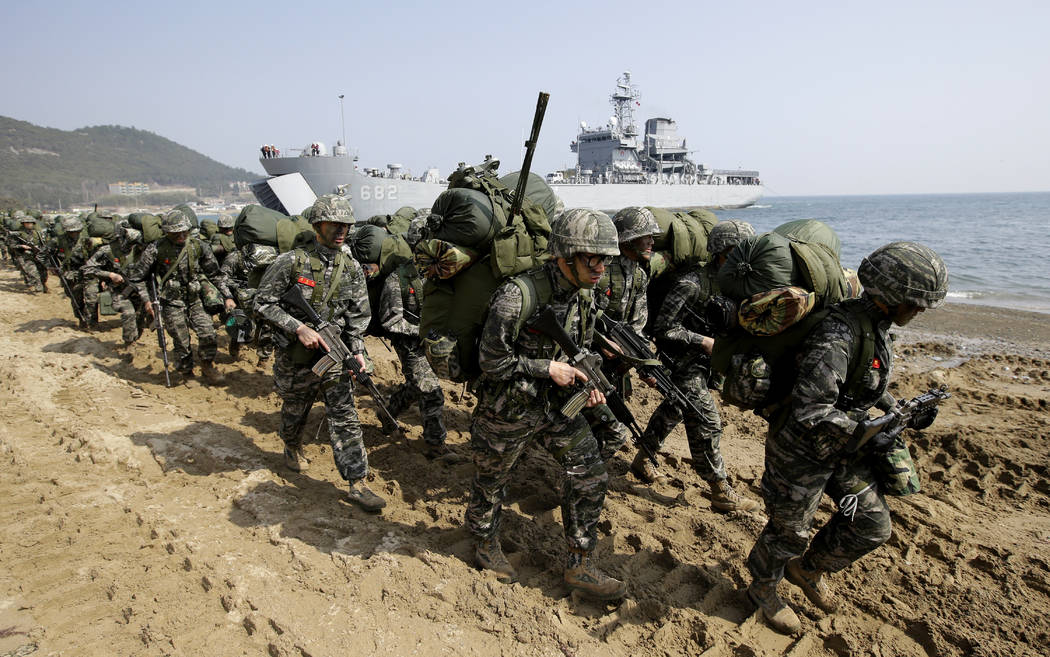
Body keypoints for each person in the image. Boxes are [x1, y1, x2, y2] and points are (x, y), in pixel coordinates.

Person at [745, 242, 948, 635]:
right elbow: (810, 409)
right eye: (915, 301)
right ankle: (762, 587)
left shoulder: (876, 327)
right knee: (789, 530)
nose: (919, 310)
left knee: (873, 524)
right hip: (801, 448)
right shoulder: (837, 333)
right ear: (890, 295)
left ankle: (807, 569)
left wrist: (901, 411)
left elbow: (863, 385)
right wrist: (867, 431)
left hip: (842, 443)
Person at [465, 208, 626, 601]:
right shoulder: (517, 296)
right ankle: (485, 543)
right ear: (566, 255)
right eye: (594, 257)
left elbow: (580, 347)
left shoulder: (582, 298)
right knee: (491, 483)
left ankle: (580, 564)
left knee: (591, 474)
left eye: (606, 259)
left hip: (556, 408)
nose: (602, 267)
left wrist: (589, 381)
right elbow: (491, 361)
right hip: (508, 409)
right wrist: (546, 367)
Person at [253, 194, 384, 512]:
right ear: (317, 225)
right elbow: (261, 303)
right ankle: (291, 444)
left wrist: (359, 352)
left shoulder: (351, 267)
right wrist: (298, 327)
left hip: (334, 357)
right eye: (334, 224)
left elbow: (357, 318)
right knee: (295, 411)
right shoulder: (291, 262)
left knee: (345, 416)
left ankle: (357, 482)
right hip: (296, 357)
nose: (341, 231)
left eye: (346, 225)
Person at [635, 220, 760, 514]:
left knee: (673, 409)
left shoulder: (734, 284)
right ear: (722, 253)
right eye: (738, 251)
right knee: (708, 421)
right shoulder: (690, 284)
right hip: (680, 362)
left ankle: (643, 458)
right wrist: (702, 341)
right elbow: (664, 329)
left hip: (705, 365)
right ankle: (720, 491)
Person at [588, 206, 661, 463]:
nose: (652, 241)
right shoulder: (602, 270)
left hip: (616, 359)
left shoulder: (640, 275)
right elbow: (582, 314)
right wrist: (601, 341)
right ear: (628, 238)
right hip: (589, 355)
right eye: (646, 236)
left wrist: (643, 363)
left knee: (614, 412)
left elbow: (637, 324)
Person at [130, 209, 234, 384]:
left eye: (184, 231)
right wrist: (147, 300)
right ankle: (187, 373)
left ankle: (207, 365)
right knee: (181, 339)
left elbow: (214, 274)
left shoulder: (197, 246)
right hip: (170, 301)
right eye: (176, 232)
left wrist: (227, 296)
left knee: (208, 333)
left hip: (195, 298)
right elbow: (137, 277)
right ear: (167, 232)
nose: (181, 235)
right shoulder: (155, 249)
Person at [82, 223, 145, 346]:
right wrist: (110, 275)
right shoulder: (107, 250)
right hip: (118, 291)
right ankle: (129, 343)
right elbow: (87, 268)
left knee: (139, 317)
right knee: (129, 313)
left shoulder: (140, 250)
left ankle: (134, 339)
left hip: (138, 290)